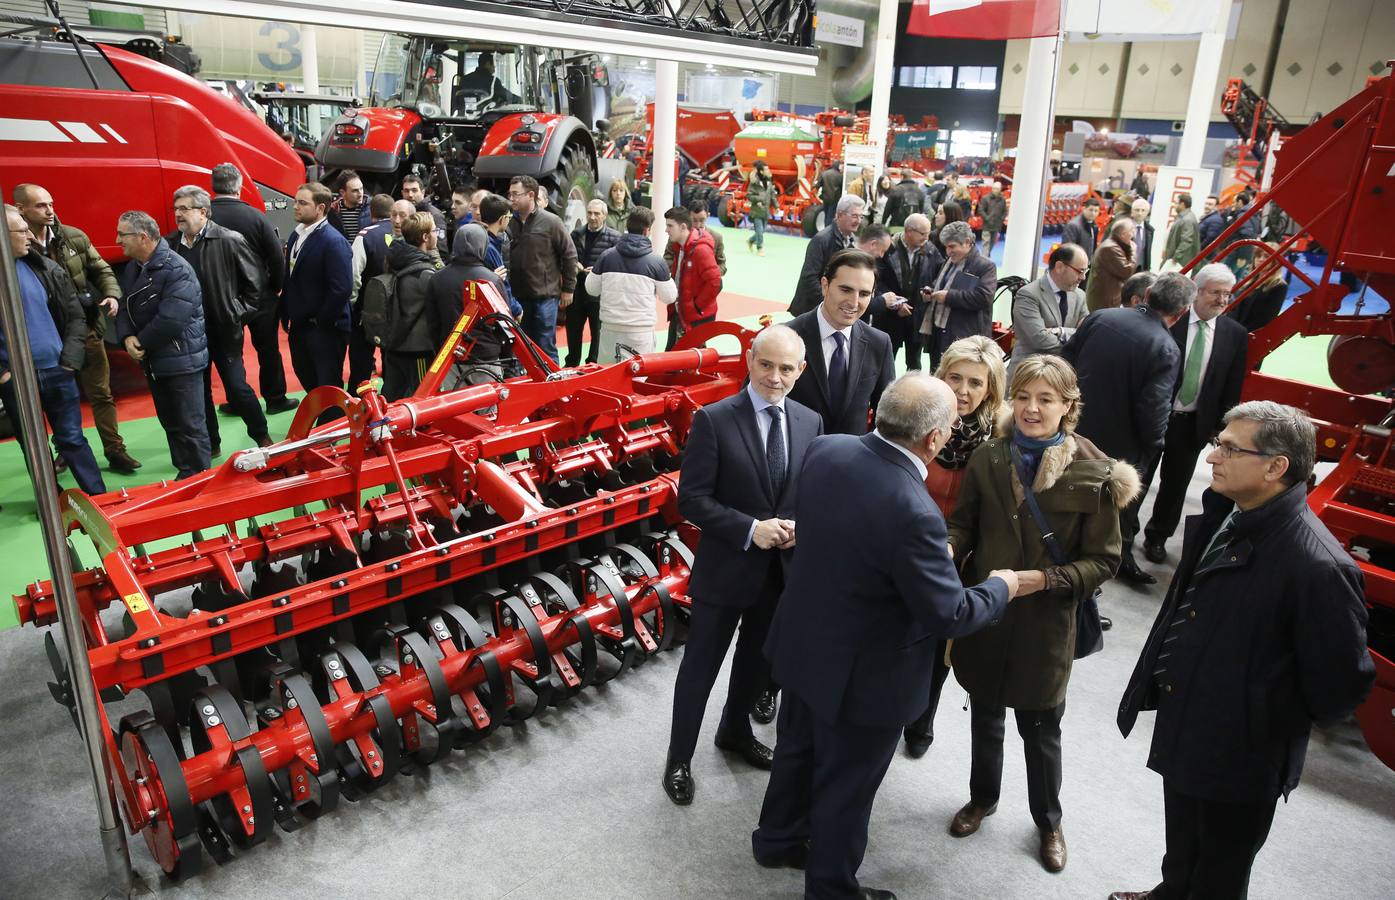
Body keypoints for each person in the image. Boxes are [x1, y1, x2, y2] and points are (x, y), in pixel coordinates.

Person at [753, 373, 1019, 900]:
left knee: (795, 752)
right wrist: (1001, 586)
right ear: (935, 439)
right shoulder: (915, 512)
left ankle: (776, 840)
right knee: (846, 788)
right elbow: (949, 612)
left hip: (803, 643)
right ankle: (831, 889)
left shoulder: (827, 451)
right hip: (866, 677)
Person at [1112, 402, 1374, 900]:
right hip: (1191, 722)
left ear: (1277, 467)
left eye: (1230, 448)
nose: (1213, 458)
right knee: (1184, 841)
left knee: (1221, 871)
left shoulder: (1317, 566)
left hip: (1242, 754)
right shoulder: (1228, 515)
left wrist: (1259, 711)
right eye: (1217, 443)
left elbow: (1341, 684)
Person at [945, 353, 1139, 874]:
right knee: (984, 716)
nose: (1031, 408)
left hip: (1047, 626)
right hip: (987, 614)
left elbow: (1105, 561)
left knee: (1041, 729)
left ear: (1068, 407)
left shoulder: (1091, 473)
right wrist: (947, 545)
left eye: (1045, 399)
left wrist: (1044, 580)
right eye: (1023, 396)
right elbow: (965, 524)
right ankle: (981, 799)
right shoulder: (988, 457)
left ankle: (1048, 820)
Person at [663, 324, 824, 805]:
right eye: (766, 365)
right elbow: (691, 500)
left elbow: (805, 492)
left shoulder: (809, 422)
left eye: (786, 369)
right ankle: (678, 760)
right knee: (700, 669)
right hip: (727, 569)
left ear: (801, 370)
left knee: (756, 663)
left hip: (778, 574)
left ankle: (734, 732)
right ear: (750, 361)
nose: (775, 377)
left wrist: (795, 523)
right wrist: (750, 529)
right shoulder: (714, 419)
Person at [903, 335, 1008, 758]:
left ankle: (921, 720)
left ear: (991, 390)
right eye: (955, 378)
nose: (963, 391)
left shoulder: (1000, 440)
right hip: (906, 548)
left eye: (975, 383)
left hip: (960, 560)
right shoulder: (913, 419)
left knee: (938, 646)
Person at [1064, 272, 1195, 585]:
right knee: (1099, 531)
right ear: (1181, 313)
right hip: (1116, 457)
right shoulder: (1165, 347)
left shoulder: (1100, 317)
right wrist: (1152, 450)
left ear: (1147, 293)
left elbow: (1064, 364)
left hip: (1070, 434)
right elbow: (1153, 412)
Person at [13, 183, 141, 474]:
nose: (49, 210)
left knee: (101, 393)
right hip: (48, 339)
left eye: (51, 203)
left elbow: (101, 269)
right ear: (21, 210)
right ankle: (65, 451)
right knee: (55, 400)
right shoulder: (16, 247)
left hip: (87, 331)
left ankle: (115, 450)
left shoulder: (73, 237)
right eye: (41, 206)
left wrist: (111, 294)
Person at [1140, 264, 1249, 565]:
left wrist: (1220, 427)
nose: (1222, 300)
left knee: (1175, 486)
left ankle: (1157, 537)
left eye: (1227, 294)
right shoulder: (1171, 321)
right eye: (1216, 293)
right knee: (1139, 477)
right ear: (1197, 291)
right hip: (1156, 418)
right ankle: (1123, 533)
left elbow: (1232, 385)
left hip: (1192, 425)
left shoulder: (1235, 335)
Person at [1, 204, 105, 495]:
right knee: (32, 444)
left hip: (57, 370)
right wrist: (4, 374)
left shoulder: (46, 268)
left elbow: (75, 316)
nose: (30, 237)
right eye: (21, 231)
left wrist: (70, 362)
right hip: (17, 380)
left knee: (72, 438)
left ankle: (99, 496)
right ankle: (51, 499)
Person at [165, 186, 269, 455]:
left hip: (224, 330)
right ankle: (211, 444)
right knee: (200, 392)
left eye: (184, 209)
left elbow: (255, 286)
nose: (178, 214)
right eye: (176, 209)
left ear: (203, 211)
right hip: (190, 334)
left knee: (237, 388)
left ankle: (262, 436)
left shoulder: (229, 240)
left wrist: (236, 314)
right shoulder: (170, 245)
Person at [114, 210, 211, 479]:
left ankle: (200, 478)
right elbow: (125, 306)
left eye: (122, 234)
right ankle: (186, 471)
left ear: (142, 237)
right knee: (171, 421)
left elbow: (171, 319)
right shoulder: (136, 266)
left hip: (182, 359)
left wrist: (140, 341)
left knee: (190, 423)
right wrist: (126, 337)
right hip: (158, 360)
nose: (117, 240)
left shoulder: (177, 269)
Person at [209, 164, 297, 415]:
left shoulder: (206, 218)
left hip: (221, 297)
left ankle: (239, 400)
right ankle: (275, 398)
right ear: (238, 186)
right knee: (268, 349)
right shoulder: (256, 216)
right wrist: (276, 287)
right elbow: (276, 257)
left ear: (213, 185)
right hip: (260, 295)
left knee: (230, 354)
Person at [785, 248, 896, 437]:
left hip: (852, 461)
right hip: (795, 460)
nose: (853, 302)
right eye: (845, 290)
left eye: (863, 294)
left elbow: (887, 414)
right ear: (825, 285)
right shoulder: (787, 336)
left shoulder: (880, 343)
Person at [283, 182, 353, 405]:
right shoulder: (296, 236)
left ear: (320, 208)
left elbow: (341, 288)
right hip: (300, 325)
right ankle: (324, 420)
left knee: (328, 385)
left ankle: (332, 431)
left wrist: (322, 321)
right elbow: (291, 277)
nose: (296, 207)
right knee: (306, 375)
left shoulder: (334, 242)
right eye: (295, 201)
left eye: (302, 203)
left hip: (325, 329)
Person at [586, 206, 677, 362]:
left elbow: (591, 289)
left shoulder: (606, 257)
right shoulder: (656, 262)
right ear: (647, 230)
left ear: (627, 226)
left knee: (608, 378)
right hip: (641, 332)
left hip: (610, 329)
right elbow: (670, 297)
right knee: (638, 379)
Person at [506, 175, 575, 364]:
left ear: (530, 195)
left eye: (515, 194)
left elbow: (569, 255)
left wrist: (568, 288)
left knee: (546, 347)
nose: (511, 198)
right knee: (520, 347)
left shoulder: (551, 222)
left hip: (545, 297)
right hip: (516, 297)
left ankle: (554, 386)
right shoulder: (508, 223)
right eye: (509, 194)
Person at [427, 223, 509, 377]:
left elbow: (433, 324)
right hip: (487, 357)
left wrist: (441, 350)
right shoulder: (492, 279)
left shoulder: (437, 279)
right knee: (487, 401)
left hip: (451, 357)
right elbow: (504, 323)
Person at [919, 220, 997, 372]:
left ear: (967, 242)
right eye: (946, 247)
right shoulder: (949, 263)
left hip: (965, 336)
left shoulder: (985, 266)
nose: (948, 252)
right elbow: (940, 284)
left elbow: (983, 297)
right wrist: (931, 291)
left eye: (952, 246)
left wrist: (948, 297)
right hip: (940, 333)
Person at [379, 212, 442, 400]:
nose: (436, 234)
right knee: (421, 398)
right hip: (417, 349)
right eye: (434, 230)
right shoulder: (425, 273)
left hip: (394, 343)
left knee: (392, 395)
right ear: (425, 237)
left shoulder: (395, 260)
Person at [872, 212, 936, 371]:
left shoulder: (930, 249)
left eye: (928, 234)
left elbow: (937, 275)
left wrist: (930, 290)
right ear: (909, 231)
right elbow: (876, 281)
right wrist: (896, 305)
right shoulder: (887, 248)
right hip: (888, 317)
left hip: (916, 318)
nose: (926, 238)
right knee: (884, 361)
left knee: (914, 363)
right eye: (923, 234)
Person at [1010, 243, 1089, 371]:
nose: (1083, 277)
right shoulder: (1028, 294)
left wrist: (1061, 331)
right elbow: (1039, 340)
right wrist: (1074, 346)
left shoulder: (1080, 296)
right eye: (1080, 271)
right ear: (1059, 267)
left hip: (1062, 376)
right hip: (1028, 374)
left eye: (1086, 271)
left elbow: (1086, 333)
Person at [563, 199, 619, 366]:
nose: (593, 217)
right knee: (573, 332)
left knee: (598, 334)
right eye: (590, 213)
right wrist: (576, 265)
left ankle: (592, 365)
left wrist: (599, 269)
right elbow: (567, 258)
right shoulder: (576, 234)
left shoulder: (614, 238)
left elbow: (617, 265)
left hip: (600, 295)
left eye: (597, 213)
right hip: (577, 292)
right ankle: (571, 364)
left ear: (605, 215)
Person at [790, 194, 864, 316]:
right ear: (840, 215)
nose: (859, 221)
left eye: (861, 216)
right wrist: (830, 301)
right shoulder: (821, 240)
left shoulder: (851, 241)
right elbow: (809, 278)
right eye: (854, 216)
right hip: (811, 310)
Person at [664, 206, 721, 349]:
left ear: (683, 227)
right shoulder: (680, 248)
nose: (666, 230)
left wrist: (696, 306)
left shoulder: (700, 250)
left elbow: (715, 282)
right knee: (674, 357)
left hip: (694, 317)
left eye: (670, 226)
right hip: (682, 312)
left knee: (687, 360)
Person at [476, 193, 522, 318]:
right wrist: (516, 310)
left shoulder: (476, 240)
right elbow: (502, 284)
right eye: (509, 216)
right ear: (502, 219)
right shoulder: (490, 249)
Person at [1227, 245, 1288, 331]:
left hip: (1247, 333)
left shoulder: (1279, 286)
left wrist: (1239, 332)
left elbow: (1265, 319)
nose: (1261, 259)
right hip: (1232, 327)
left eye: (1266, 256)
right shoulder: (1247, 281)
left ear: (1275, 260)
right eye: (1258, 255)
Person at [664, 195, 727, 276]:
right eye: (694, 220)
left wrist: (712, 273)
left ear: (708, 216)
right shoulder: (677, 235)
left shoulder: (717, 238)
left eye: (702, 220)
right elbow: (667, 258)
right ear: (688, 217)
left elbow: (722, 264)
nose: (698, 225)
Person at [1085, 218, 1138, 312]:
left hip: (1107, 298)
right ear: (1123, 234)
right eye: (1131, 232)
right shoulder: (1111, 248)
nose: (1133, 236)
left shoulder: (1115, 245)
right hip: (1104, 300)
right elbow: (1126, 271)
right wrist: (1133, 251)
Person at [401, 174, 447, 244]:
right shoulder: (400, 213)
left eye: (414, 190)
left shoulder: (435, 215)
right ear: (402, 193)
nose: (410, 195)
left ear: (423, 192)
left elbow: (441, 249)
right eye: (406, 191)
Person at [1160, 193, 1199, 272]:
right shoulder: (1184, 217)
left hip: (1178, 263)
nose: (1174, 205)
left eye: (1176, 203)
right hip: (1175, 259)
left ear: (1182, 204)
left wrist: (1176, 257)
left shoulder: (1187, 219)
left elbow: (1186, 240)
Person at [327, 170, 370, 243]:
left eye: (361, 188)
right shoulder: (333, 211)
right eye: (355, 191)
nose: (360, 194)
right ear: (342, 192)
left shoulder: (371, 207)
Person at [745, 161, 777, 256]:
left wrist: (776, 206)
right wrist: (757, 199)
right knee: (759, 230)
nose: (768, 170)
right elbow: (749, 195)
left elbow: (772, 195)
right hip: (757, 210)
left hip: (765, 210)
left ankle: (750, 241)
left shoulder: (769, 182)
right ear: (761, 171)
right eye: (766, 169)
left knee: (762, 231)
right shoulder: (754, 183)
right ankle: (760, 248)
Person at [976, 182, 1007, 255]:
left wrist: (1001, 219)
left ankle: (986, 255)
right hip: (987, 225)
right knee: (986, 243)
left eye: (997, 189)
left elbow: (1005, 211)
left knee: (992, 243)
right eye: (994, 188)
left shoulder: (1002, 200)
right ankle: (985, 258)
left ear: (1000, 189)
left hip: (997, 225)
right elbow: (980, 209)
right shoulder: (985, 198)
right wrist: (986, 218)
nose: (995, 190)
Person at [1130, 198, 1155, 272]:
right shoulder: (1124, 227)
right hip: (1125, 269)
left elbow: (1147, 251)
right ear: (1132, 211)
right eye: (1137, 210)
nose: (1140, 213)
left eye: (1143, 210)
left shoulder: (1149, 230)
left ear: (1147, 213)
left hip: (1141, 270)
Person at [818, 159, 842, 225]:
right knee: (831, 216)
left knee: (826, 215)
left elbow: (818, 185)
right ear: (838, 166)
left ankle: (825, 230)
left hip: (825, 198)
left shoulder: (824, 173)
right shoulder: (840, 175)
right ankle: (828, 231)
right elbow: (842, 187)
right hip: (835, 199)